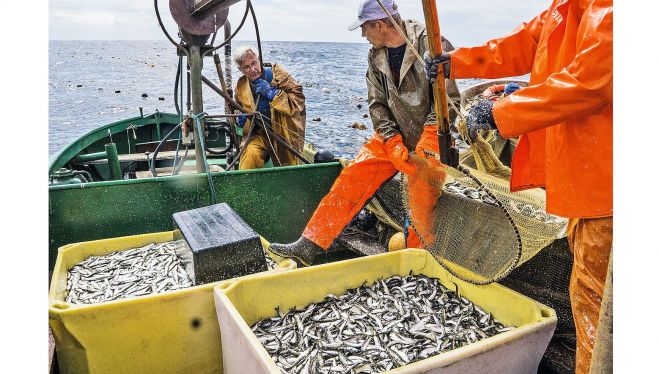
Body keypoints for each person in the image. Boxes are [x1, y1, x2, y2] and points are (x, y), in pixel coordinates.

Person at [425, 1, 612, 372]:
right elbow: (523, 42)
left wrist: (501, 112)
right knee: (589, 296)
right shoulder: (569, 5)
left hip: (606, 190)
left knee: (599, 309)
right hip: (588, 191)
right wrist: (456, 62)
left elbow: (592, 80)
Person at [269, 0, 461, 265]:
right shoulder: (376, 55)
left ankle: (418, 261)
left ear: (380, 25)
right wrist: (391, 139)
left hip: (432, 136)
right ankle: (310, 243)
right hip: (394, 135)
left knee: (421, 198)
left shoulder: (432, 44)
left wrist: (428, 138)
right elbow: (377, 104)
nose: (362, 35)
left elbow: (449, 101)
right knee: (353, 174)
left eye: (364, 28)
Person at [233, 45, 306, 169]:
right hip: (261, 134)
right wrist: (240, 119)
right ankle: (247, 186)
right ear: (241, 70)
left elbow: (298, 102)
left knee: (289, 168)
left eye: (254, 63)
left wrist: (273, 94)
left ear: (259, 59)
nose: (253, 69)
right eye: (246, 67)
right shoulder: (241, 86)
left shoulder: (279, 75)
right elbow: (236, 109)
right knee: (250, 154)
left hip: (285, 135)